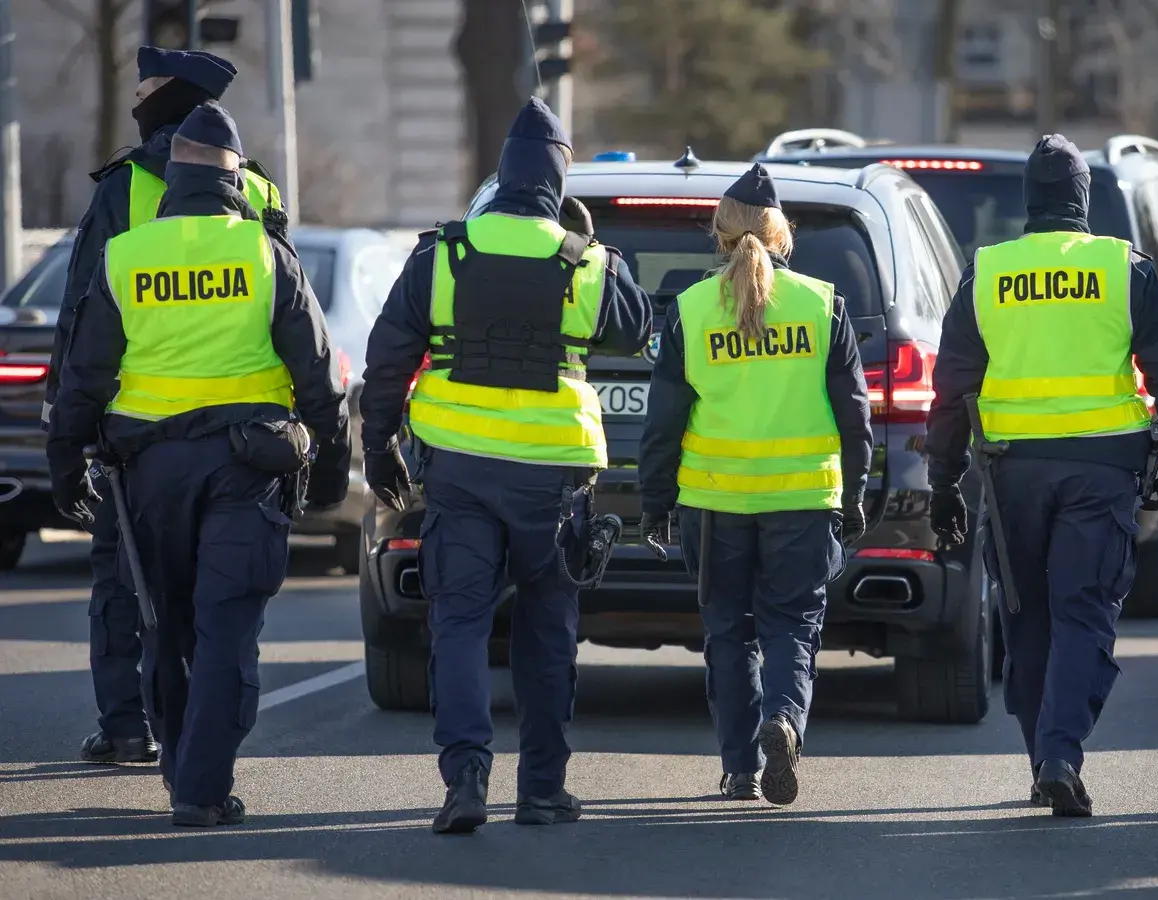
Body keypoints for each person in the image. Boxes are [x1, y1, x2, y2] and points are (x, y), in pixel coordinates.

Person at [47, 102, 349, 827]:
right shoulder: (262, 253)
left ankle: (184, 771)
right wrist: (334, 472)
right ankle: (200, 787)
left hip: (149, 475)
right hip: (248, 471)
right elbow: (318, 377)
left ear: (172, 178)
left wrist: (65, 470)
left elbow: (82, 379)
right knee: (227, 628)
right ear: (235, 179)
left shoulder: (128, 257)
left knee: (167, 629)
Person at [359, 98, 651, 835]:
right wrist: (592, 243)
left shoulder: (443, 253)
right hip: (551, 482)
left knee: (457, 625)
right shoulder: (584, 261)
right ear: (557, 179)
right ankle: (543, 791)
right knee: (547, 634)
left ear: (501, 176)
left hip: (458, 473)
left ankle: (465, 778)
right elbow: (636, 326)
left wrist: (380, 449)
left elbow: (387, 360)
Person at [924, 136, 1158, 817]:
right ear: (1082, 199)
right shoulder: (1121, 269)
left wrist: (943, 483)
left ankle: (1043, 758)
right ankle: (1059, 754)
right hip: (1101, 469)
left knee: (1028, 622)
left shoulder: (987, 271)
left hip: (1012, 474)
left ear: (1029, 200)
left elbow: (951, 388)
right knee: (1083, 615)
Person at [44, 46, 282, 767]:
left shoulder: (122, 189)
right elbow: (284, 304)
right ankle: (196, 740)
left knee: (125, 578)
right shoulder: (261, 191)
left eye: (145, 88)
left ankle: (126, 723)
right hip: (242, 431)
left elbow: (84, 308)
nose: (137, 97)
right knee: (213, 594)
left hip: (136, 423)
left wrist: (68, 415)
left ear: (169, 99)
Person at [637, 164, 872, 806]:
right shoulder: (823, 305)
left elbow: (663, 424)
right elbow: (855, 414)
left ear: (720, 234)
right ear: (781, 233)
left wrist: (654, 505)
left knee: (729, 633)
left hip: (715, 506)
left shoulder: (689, 311)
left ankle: (740, 767)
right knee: (792, 624)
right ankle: (785, 722)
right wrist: (854, 495)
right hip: (802, 500)